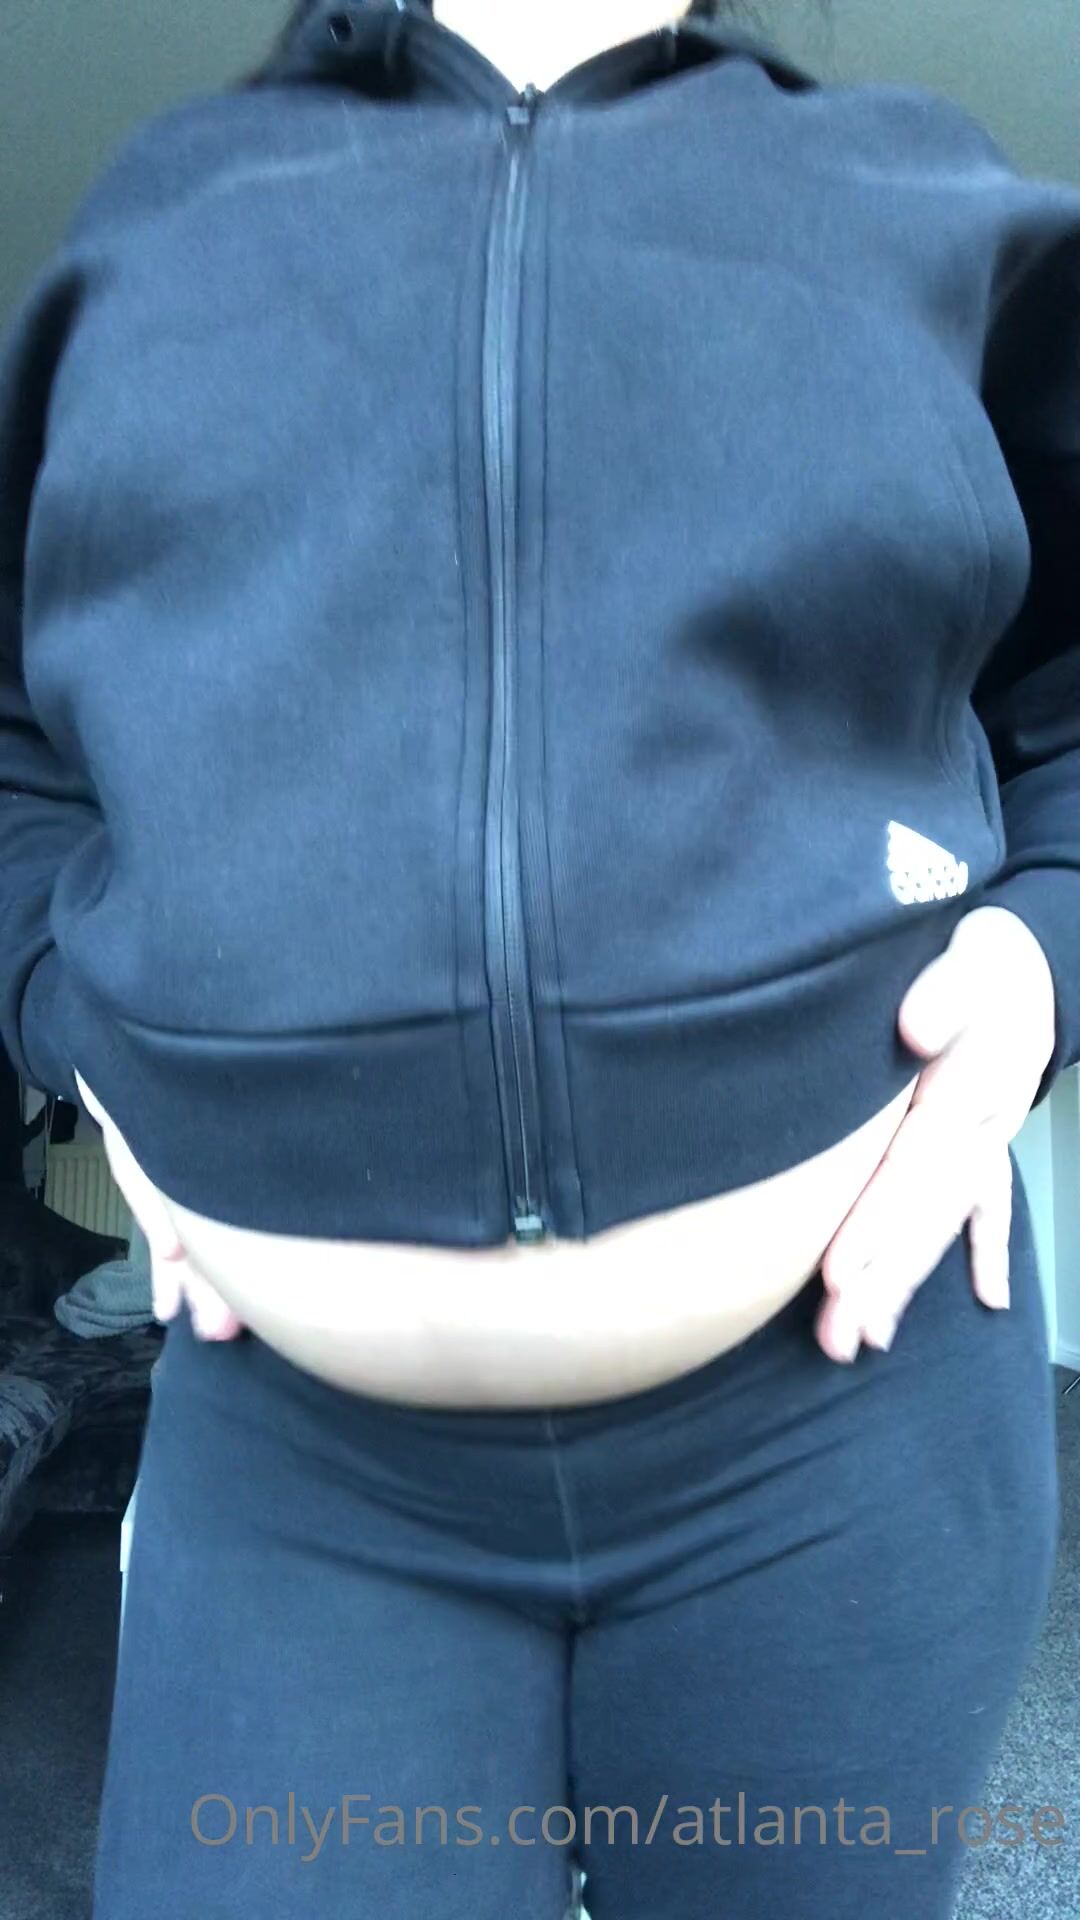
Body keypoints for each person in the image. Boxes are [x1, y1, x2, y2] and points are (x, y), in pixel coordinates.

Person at [1, 0, 1077, 1913]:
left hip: (839, 1426)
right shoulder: (160, 226)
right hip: (301, 1463)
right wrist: (83, 1018)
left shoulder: (926, 203)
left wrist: (1046, 950)